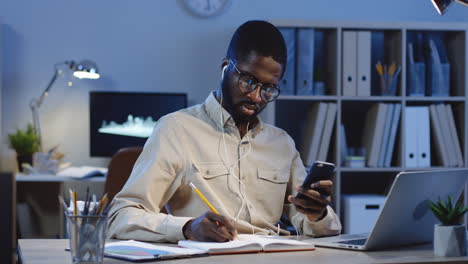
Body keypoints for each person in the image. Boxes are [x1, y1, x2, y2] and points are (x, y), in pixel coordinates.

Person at [108, 20, 341, 243]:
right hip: (211, 256)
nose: (256, 97)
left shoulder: (282, 144)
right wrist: (188, 228)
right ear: (225, 68)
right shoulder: (177, 130)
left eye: (269, 88)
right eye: (248, 82)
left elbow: (313, 224)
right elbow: (120, 217)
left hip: (274, 254)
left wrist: (316, 214)